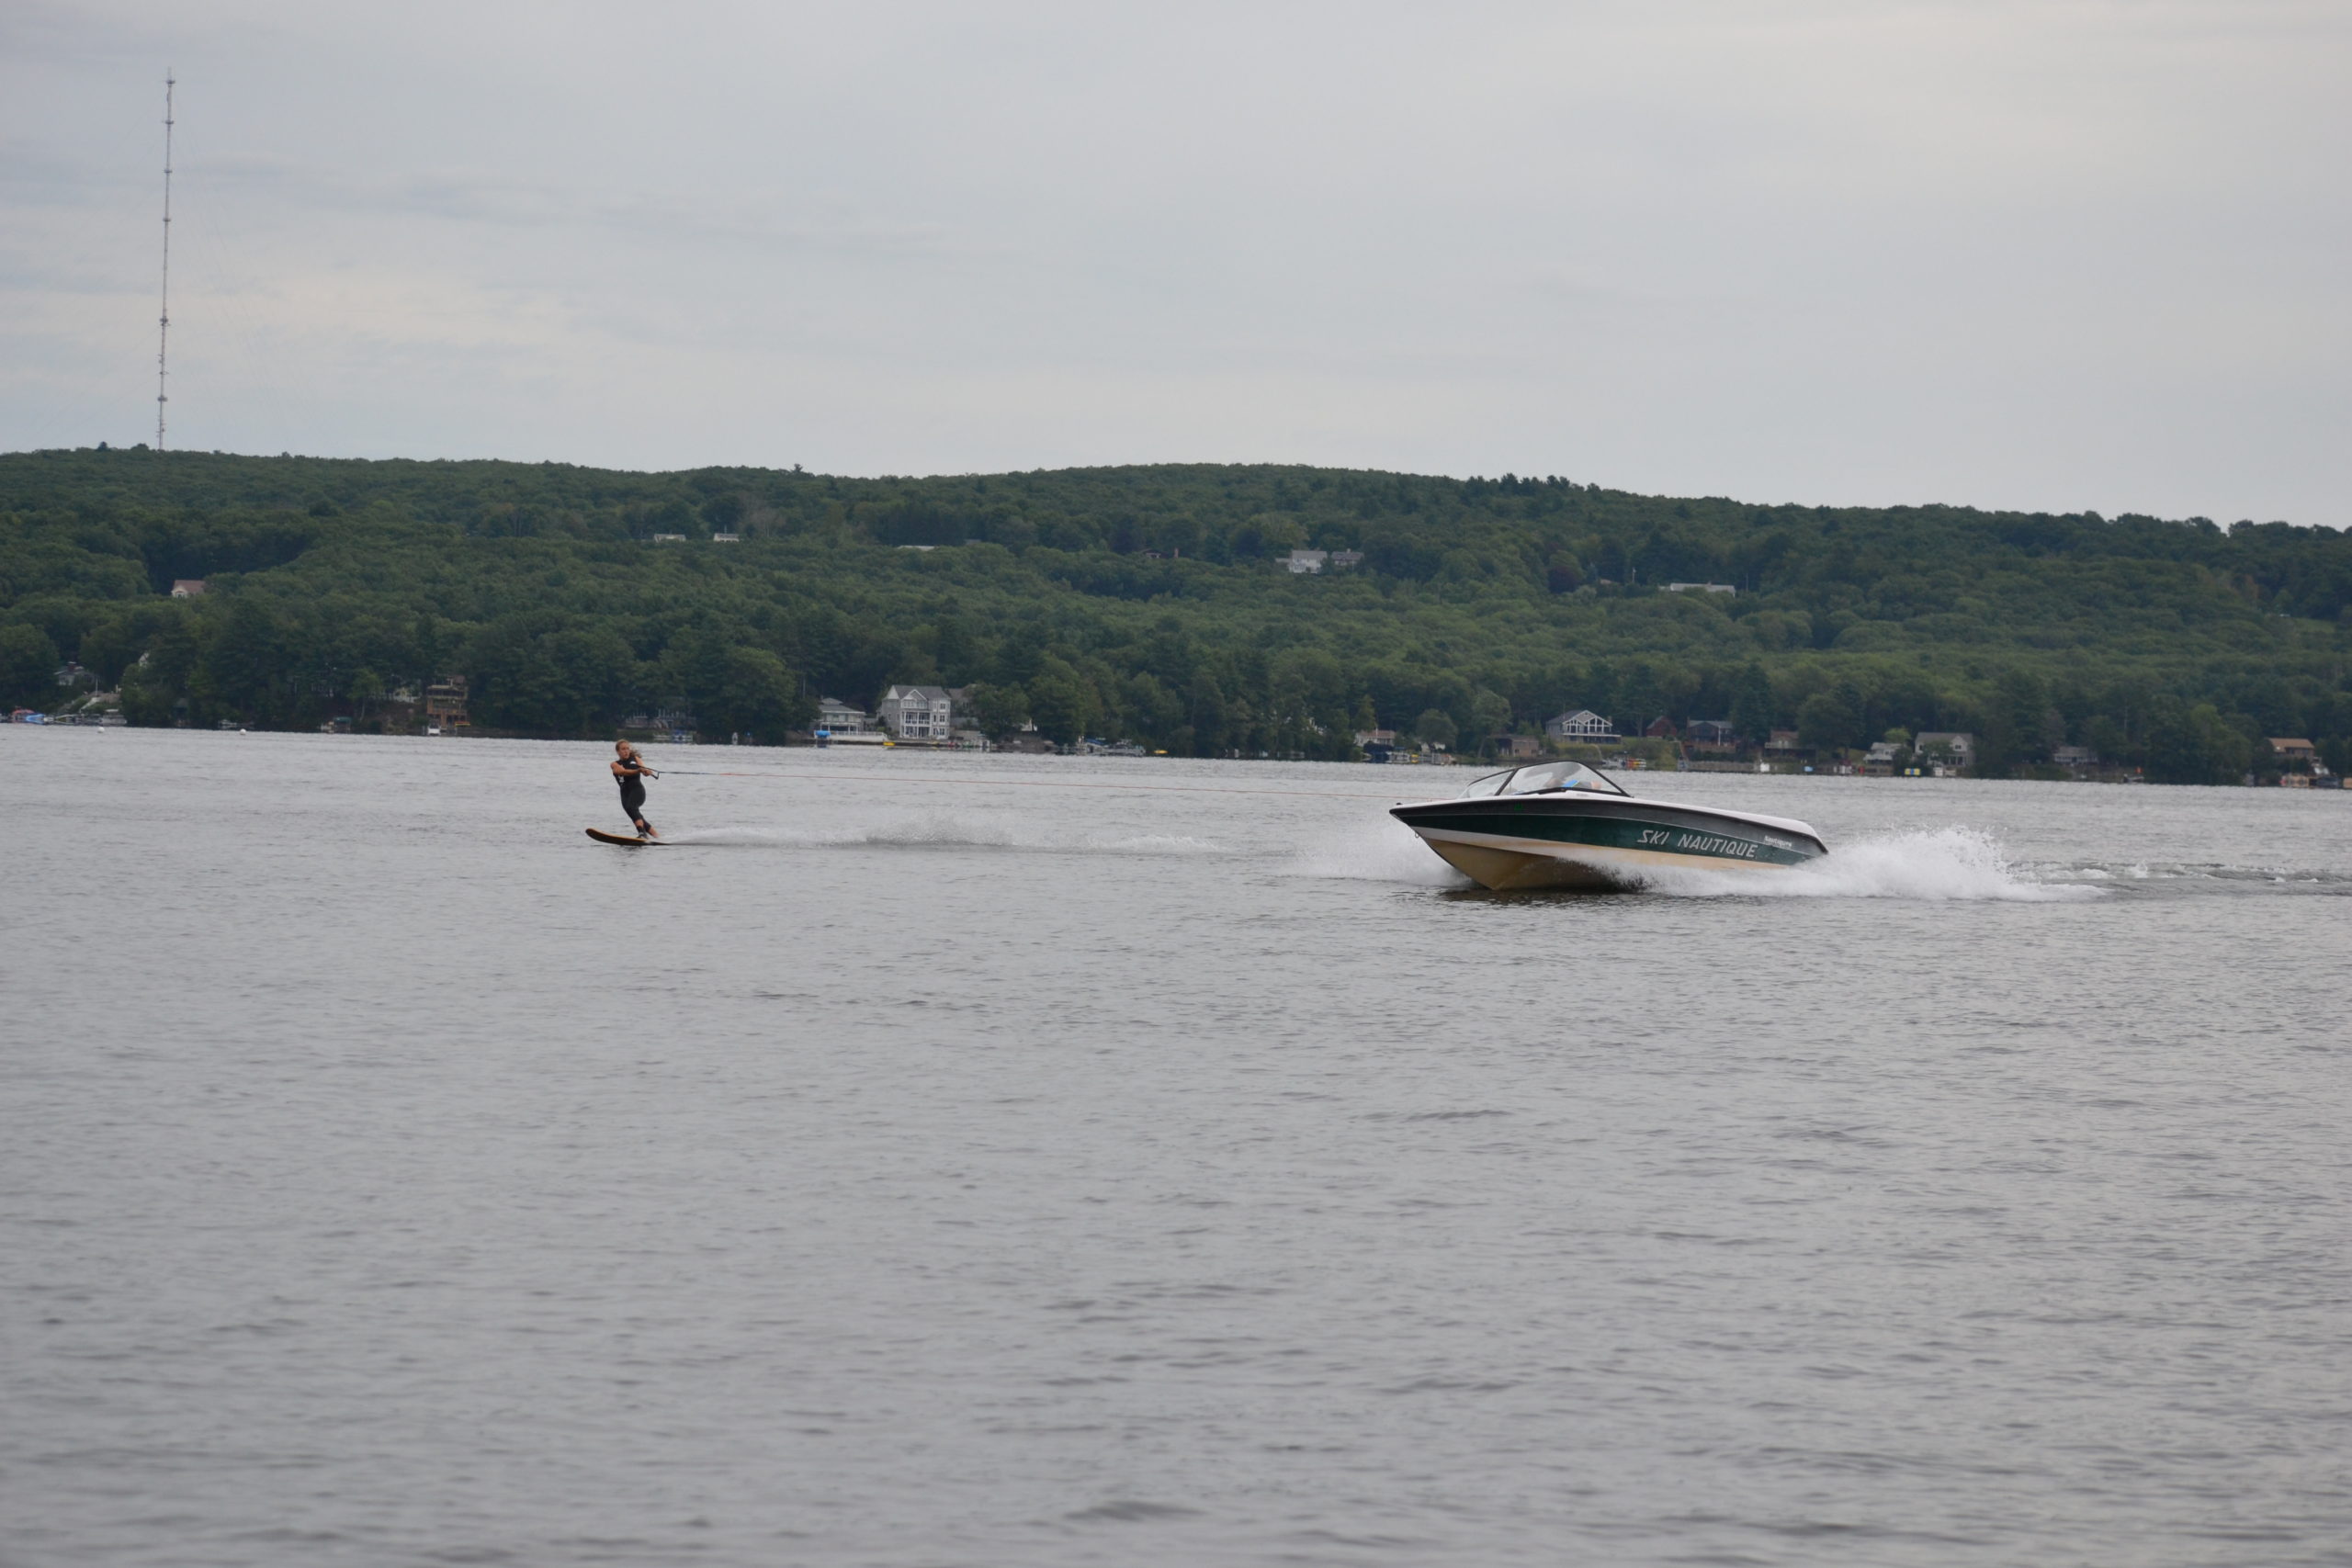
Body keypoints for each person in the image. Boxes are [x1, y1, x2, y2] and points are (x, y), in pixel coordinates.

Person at [612, 740, 660, 839]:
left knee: (631, 808)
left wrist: (646, 771)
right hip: (625, 794)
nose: (626, 751)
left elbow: (644, 772)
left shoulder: (636, 759)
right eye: (623, 749)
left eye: (627, 749)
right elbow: (624, 772)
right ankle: (658, 837)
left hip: (637, 790)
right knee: (637, 816)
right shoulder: (614, 764)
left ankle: (642, 834)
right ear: (618, 751)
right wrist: (638, 770)